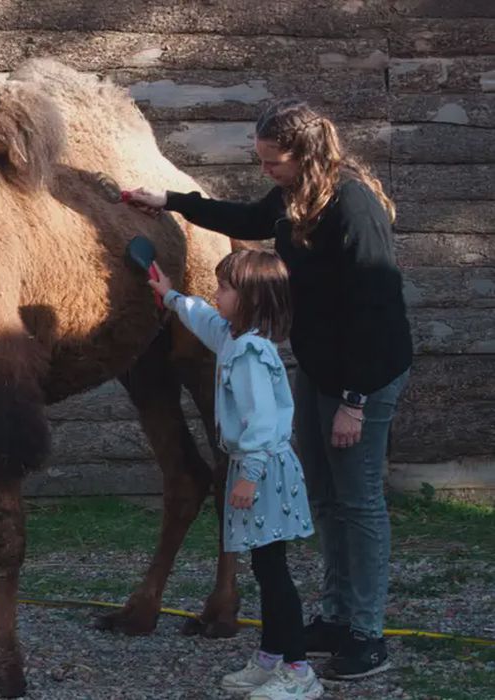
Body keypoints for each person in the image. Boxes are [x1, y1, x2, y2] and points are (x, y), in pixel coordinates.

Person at [127, 99, 412, 680]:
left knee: (357, 503)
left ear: (303, 155)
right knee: (327, 498)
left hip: (366, 373)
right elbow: (246, 222)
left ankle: (366, 634)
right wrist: (172, 203)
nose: (265, 172)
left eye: (271, 162)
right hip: (320, 369)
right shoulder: (292, 198)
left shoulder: (351, 204)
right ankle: (333, 616)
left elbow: (375, 307)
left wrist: (355, 402)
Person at [150, 249, 322, 700]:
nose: (217, 294)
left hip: (261, 471)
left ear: (249, 300)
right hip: (256, 469)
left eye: (225, 288)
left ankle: (300, 671)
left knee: (275, 571)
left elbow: (261, 422)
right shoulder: (234, 337)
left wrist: (248, 476)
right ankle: (269, 658)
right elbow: (205, 319)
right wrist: (170, 297)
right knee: (266, 568)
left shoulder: (248, 354)